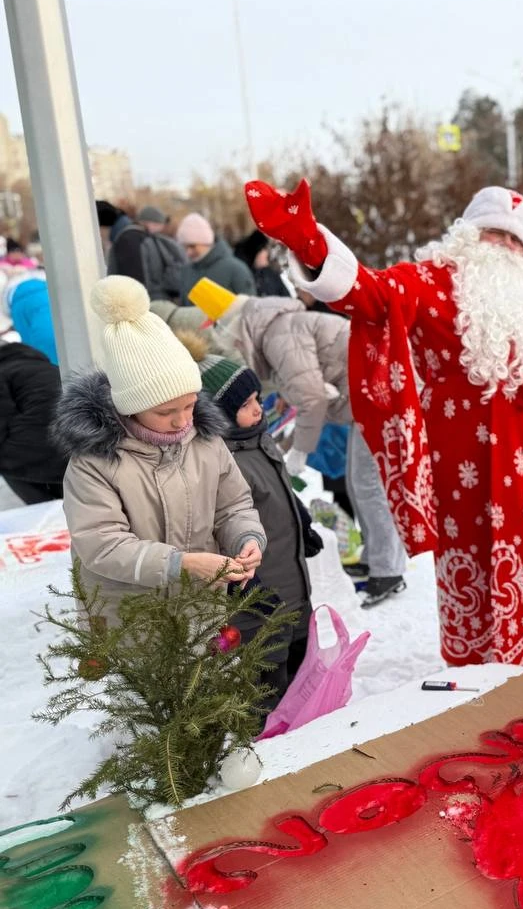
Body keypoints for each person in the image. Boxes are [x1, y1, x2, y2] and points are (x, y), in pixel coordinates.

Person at [245, 178, 523, 666]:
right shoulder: (434, 280)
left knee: (522, 574)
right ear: (468, 234)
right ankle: (480, 677)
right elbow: (370, 294)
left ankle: (521, 673)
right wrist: (309, 242)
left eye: (514, 239)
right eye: (494, 233)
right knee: (471, 575)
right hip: (467, 467)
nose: (503, 246)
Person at [51, 275, 266, 627]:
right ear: (130, 407)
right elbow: (101, 543)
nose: (182, 421)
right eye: (165, 412)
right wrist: (180, 564)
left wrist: (246, 537)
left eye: (190, 405)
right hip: (130, 618)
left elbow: (233, 505)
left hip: (199, 608)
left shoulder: (205, 440)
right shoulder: (95, 462)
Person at [189, 276, 408, 607]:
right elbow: (307, 385)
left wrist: (300, 451)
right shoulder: (276, 328)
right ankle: (378, 558)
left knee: (368, 485)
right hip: (367, 397)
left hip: (379, 396)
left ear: (235, 327)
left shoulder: (278, 335)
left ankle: (388, 570)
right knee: (358, 482)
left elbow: (312, 398)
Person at [183, 335, 323, 710]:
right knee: (268, 673)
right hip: (259, 593)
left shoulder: (260, 440)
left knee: (302, 660)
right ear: (219, 413)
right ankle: (270, 731)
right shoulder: (224, 462)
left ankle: (307, 721)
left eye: (257, 399)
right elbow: (223, 525)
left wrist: (302, 521)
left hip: (292, 578)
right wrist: (245, 584)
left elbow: (280, 489)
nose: (258, 408)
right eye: (245, 405)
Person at [0, 340, 67, 503]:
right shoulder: (40, 364)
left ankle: (44, 509)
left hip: (49, 448)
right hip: (79, 439)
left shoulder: (3, 371)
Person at [174, 213, 255, 307]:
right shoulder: (186, 271)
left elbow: (251, 308)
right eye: (185, 247)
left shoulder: (236, 269)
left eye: (192, 246)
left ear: (206, 242)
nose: (188, 252)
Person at [108, 205, 186, 302]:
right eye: (159, 224)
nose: (161, 229)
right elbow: (135, 277)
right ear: (150, 223)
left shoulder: (136, 237)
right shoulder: (131, 239)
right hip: (135, 301)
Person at [4, 269, 57, 364]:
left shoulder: (16, 308)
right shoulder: (47, 292)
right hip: (45, 290)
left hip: (15, 302)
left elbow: (28, 342)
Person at [234, 229, 291, 298]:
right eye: (265, 249)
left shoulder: (271, 273)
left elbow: (285, 295)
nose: (267, 253)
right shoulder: (243, 274)